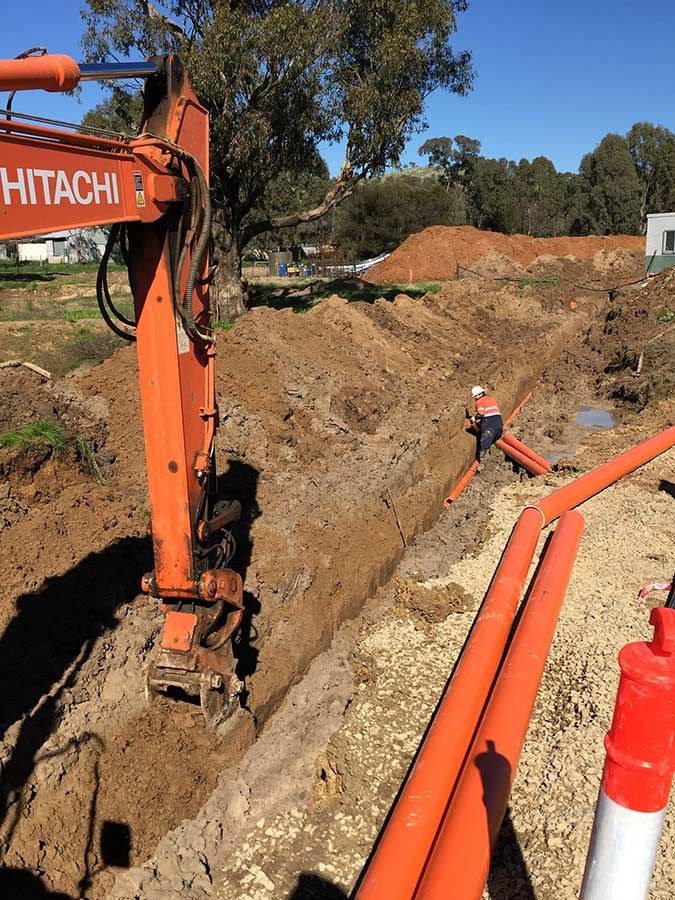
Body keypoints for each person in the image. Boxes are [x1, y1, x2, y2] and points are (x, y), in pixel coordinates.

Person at [469, 386, 503, 466]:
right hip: (499, 423)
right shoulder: (491, 399)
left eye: (476, 396)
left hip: (489, 424)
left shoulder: (479, 402)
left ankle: (482, 461)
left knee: (485, 441)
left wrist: (474, 418)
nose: (475, 398)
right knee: (492, 438)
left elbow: (481, 413)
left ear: (480, 394)